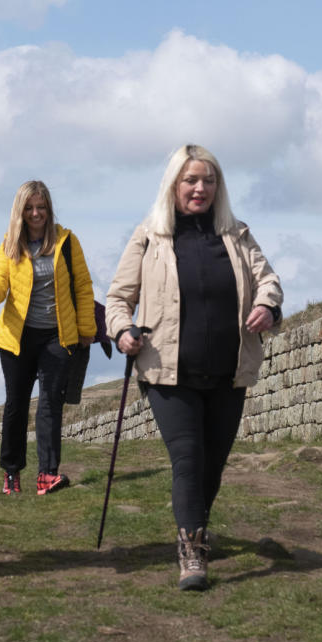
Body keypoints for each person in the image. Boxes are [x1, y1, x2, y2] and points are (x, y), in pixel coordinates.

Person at [106, 144, 283, 591]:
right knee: (188, 459)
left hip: (229, 370)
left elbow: (269, 281)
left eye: (208, 180)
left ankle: (195, 525)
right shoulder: (150, 235)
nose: (200, 188)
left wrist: (266, 305)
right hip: (167, 372)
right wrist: (123, 329)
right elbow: (118, 298)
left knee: (212, 465)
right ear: (173, 185)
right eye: (191, 180)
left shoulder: (237, 233)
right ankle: (192, 552)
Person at [0, 181, 96, 496]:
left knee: (49, 405)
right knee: (16, 405)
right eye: (30, 208)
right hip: (16, 339)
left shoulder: (66, 242)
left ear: (49, 209)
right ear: (20, 211)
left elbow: (84, 288)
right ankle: (12, 473)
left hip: (56, 338)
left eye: (41, 207)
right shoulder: (10, 245)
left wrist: (86, 330)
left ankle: (47, 474)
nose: (36, 213)